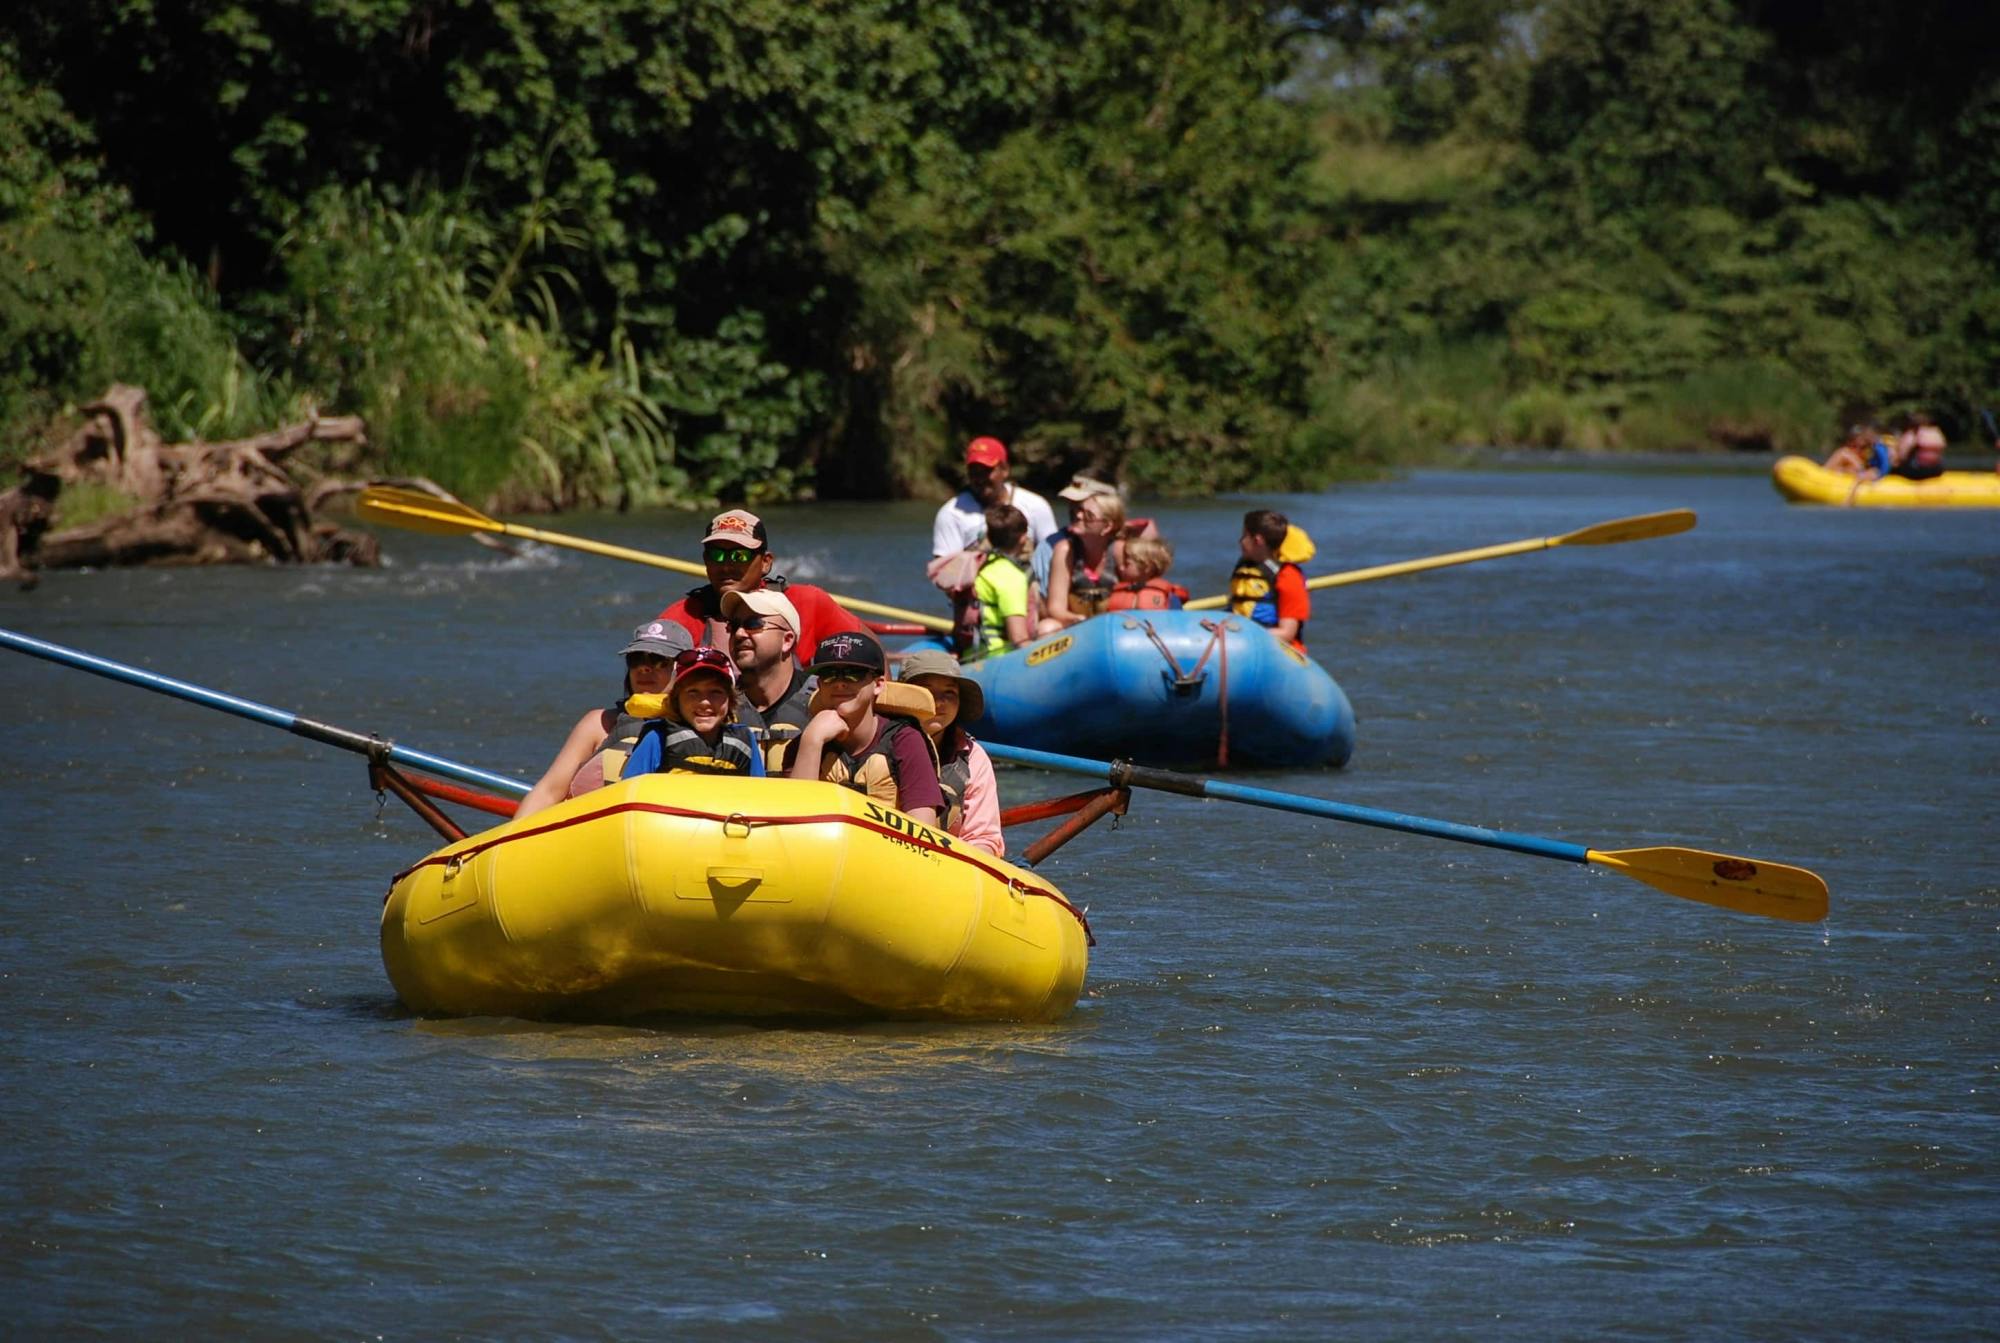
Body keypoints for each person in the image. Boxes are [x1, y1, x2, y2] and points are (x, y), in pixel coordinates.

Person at [516, 620, 694, 819]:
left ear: (683, 669)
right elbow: (548, 792)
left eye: (658, 660)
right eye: (636, 660)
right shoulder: (598, 724)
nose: (644, 669)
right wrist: (508, 842)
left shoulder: (703, 728)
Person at [780, 631, 944, 826]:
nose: (840, 683)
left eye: (853, 674)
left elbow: (924, 830)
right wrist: (812, 742)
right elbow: (794, 826)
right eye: (829, 675)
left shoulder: (906, 741)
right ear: (819, 684)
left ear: (878, 684)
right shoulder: (805, 742)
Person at [657, 508, 864, 653]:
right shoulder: (681, 619)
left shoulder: (809, 602)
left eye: (740, 556)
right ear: (705, 561)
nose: (726, 566)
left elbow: (870, 652)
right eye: (717, 555)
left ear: (766, 562)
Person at [897, 648, 1004, 856]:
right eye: (926, 691)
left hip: (945, 867)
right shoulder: (876, 739)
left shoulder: (972, 757)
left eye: (949, 692)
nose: (939, 702)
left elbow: (983, 839)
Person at [623, 646, 767, 777]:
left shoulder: (745, 740)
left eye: (715, 692)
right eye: (693, 692)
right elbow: (631, 791)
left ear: (730, 700)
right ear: (676, 700)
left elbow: (759, 794)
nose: (704, 702)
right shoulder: (656, 738)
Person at [720, 589, 816, 766]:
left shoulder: (823, 701)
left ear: (787, 640)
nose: (739, 634)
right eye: (733, 626)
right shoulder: (718, 703)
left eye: (753, 623)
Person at [931, 437, 1057, 558]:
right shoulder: (951, 513)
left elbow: (1053, 558)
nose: (980, 479)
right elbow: (943, 572)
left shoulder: (1036, 506)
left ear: (1005, 470)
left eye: (987, 471)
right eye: (974, 472)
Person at [1036, 489, 1125, 635]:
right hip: (1076, 625)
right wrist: (1082, 621)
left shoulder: (1119, 550)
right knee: (1047, 627)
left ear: (1107, 526)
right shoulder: (1065, 550)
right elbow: (1056, 608)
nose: (1078, 515)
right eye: (1079, 510)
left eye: (1088, 515)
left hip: (1115, 628)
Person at [1229, 508, 1309, 654]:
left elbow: (1287, 633)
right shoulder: (1246, 567)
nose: (1240, 541)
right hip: (1245, 646)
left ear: (1257, 540)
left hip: (1278, 653)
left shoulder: (1288, 576)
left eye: (1244, 536)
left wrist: (1239, 635)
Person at [973, 504, 1034, 657]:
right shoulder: (1012, 577)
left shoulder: (982, 565)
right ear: (1023, 538)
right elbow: (1019, 638)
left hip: (972, 653)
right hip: (996, 657)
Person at [1105, 537, 1188, 611]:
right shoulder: (1114, 593)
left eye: (1127, 564)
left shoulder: (1169, 598)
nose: (1121, 568)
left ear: (1146, 567)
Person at [1822, 424, 1892, 478]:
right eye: (1853, 446)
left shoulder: (1870, 464)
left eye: (1862, 447)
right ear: (1848, 443)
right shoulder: (1845, 453)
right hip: (1834, 481)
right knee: (1843, 453)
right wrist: (1842, 471)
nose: (1856, 450)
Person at [1894, 414, 1947, 480]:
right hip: (1937, 471)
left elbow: (1902, 455)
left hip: (1917, 472)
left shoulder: (1913, 434)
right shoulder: (1936, 433)